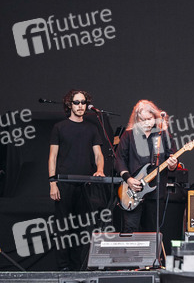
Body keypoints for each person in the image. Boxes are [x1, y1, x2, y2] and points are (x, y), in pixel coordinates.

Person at [48, 90, 104, 271]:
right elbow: (52, 157)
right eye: (76, 102)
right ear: (69, 104)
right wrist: (52, 182)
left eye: (83, 102)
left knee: (82, 228)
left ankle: (78, 267)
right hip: (64, 183)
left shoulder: (92, 128)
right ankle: (63, 268)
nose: (80, 106)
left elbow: (98, 155)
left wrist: (100, 170)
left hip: (85, 184)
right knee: (63, 228)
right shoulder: (60, 127)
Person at [114, 100, 178, 237]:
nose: (146, 123)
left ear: (155, 117)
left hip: (155, 192)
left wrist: (173, 164)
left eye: (149, 119)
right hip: (132, 190)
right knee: (130, 230)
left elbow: (171, 158)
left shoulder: (162, 135)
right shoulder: (129, 135)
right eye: (142, 120)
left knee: (152, 231)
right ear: (137, 119)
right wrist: (128, 179)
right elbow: (119, 160)